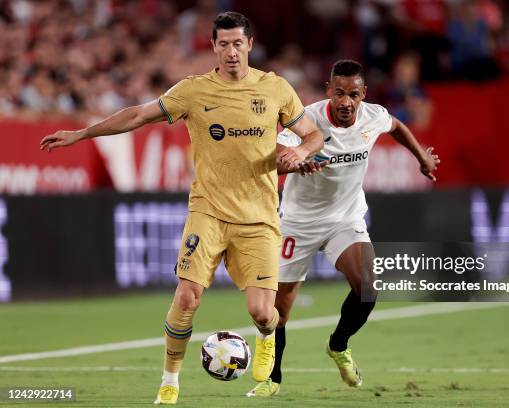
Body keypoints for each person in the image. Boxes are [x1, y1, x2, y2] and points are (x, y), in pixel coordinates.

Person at [39, 11, 324, 405]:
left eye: (237, 43)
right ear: (212, 47)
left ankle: (267, 337)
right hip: (207, 210)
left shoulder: (275, 89)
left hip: (259, 216)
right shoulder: (194, 90)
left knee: (262, 311)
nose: (231, 52)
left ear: (250, 45)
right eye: (223, 44)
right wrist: (83, 133)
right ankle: (169, 381)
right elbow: (138, 114)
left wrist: (300, 151)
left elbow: (313, 134)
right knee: (187, 295)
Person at [246, 59, 439, 397]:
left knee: (368, 288)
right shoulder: (306, 119)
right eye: (339, 94)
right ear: (328, 92)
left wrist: (420, 156)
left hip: (345, 219)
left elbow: (396, 126)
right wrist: (294, 161)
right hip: (297, 223)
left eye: (353, 94)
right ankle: (272, 380)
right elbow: (275, 156)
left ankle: (338, 344)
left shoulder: (372, 116)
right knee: (278, 312)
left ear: (363, 94)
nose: (346, 102)